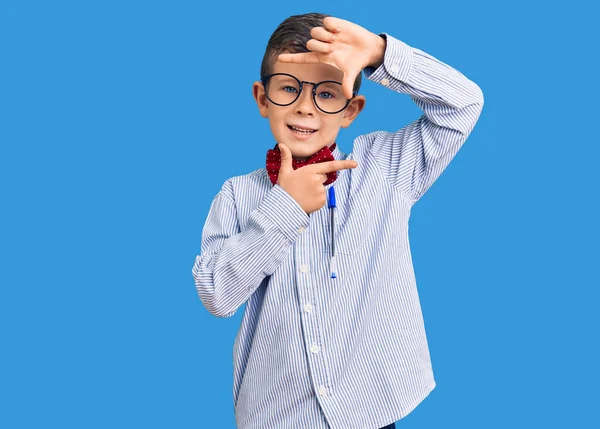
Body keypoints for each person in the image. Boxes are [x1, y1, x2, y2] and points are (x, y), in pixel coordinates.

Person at [192, 12, 484, 429]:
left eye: (326, 94)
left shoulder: (383, 167)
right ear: (262, 98)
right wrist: (285, 207)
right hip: (278, 414)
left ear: (351, 109)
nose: (305, 107)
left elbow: (463, 104)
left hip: (371, 407)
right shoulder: (237, 195)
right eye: (288, 89)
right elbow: (217, 295)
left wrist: (381, 53)